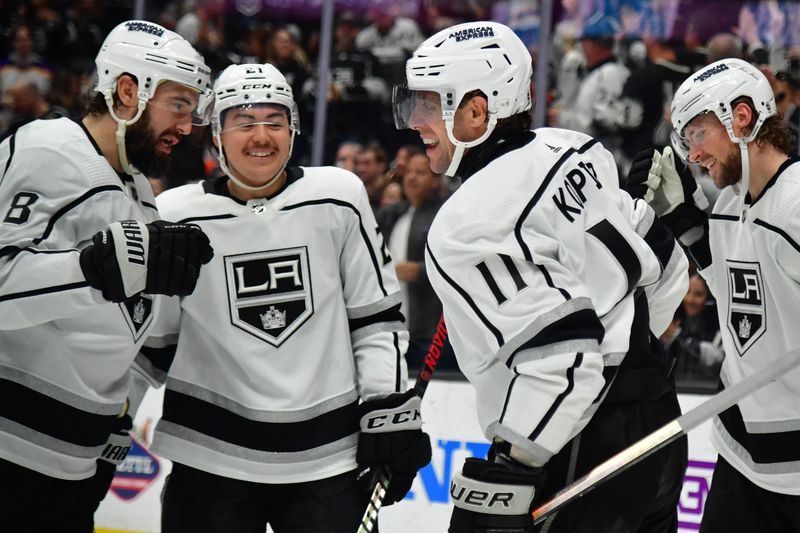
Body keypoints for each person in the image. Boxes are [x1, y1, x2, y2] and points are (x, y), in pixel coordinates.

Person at [393, 21, 689, 533]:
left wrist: (513, 465)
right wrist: (630, 355)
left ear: (477, 111)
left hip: (576, 447)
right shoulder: (574, 151)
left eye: (428, 104)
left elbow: (564, 359)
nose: (415, 122)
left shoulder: (468, 222)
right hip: (659, 423)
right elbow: (667, 270)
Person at [133, 63, 431, 533]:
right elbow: (152, 343)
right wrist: (109, 417)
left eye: (275, 121)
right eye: (244, 122)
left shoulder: (338, 197)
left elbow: (375, 320)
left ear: (292, 130)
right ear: (216, 133)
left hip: (328, 460)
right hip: (210, 457)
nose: (261, 136)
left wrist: (387, 412)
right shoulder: (174, 216)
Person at [0, 20, 214, 533]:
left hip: (75, 467)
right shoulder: (51, 150)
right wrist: (91, 268)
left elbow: (123, 326)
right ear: (127, 91)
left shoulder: (140, 193)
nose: (188, 127)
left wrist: (119, 417)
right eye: (179, 105)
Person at [626, 57, 800, 532]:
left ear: (740, 117)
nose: (692, 154)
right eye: (684, 141)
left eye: (697, 134)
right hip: (741, 454)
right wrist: (687, 223)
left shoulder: (796, 205)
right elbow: (743, 300)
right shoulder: (727, 206)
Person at [376, 153, 449, 369]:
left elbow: (457, 265)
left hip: (429, 332)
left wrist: (422, 270)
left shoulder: (444, 214)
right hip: (393, 329)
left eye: (420, 172)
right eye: (408, 172)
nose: (411, 177)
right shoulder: (392, 215)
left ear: (435, 180)